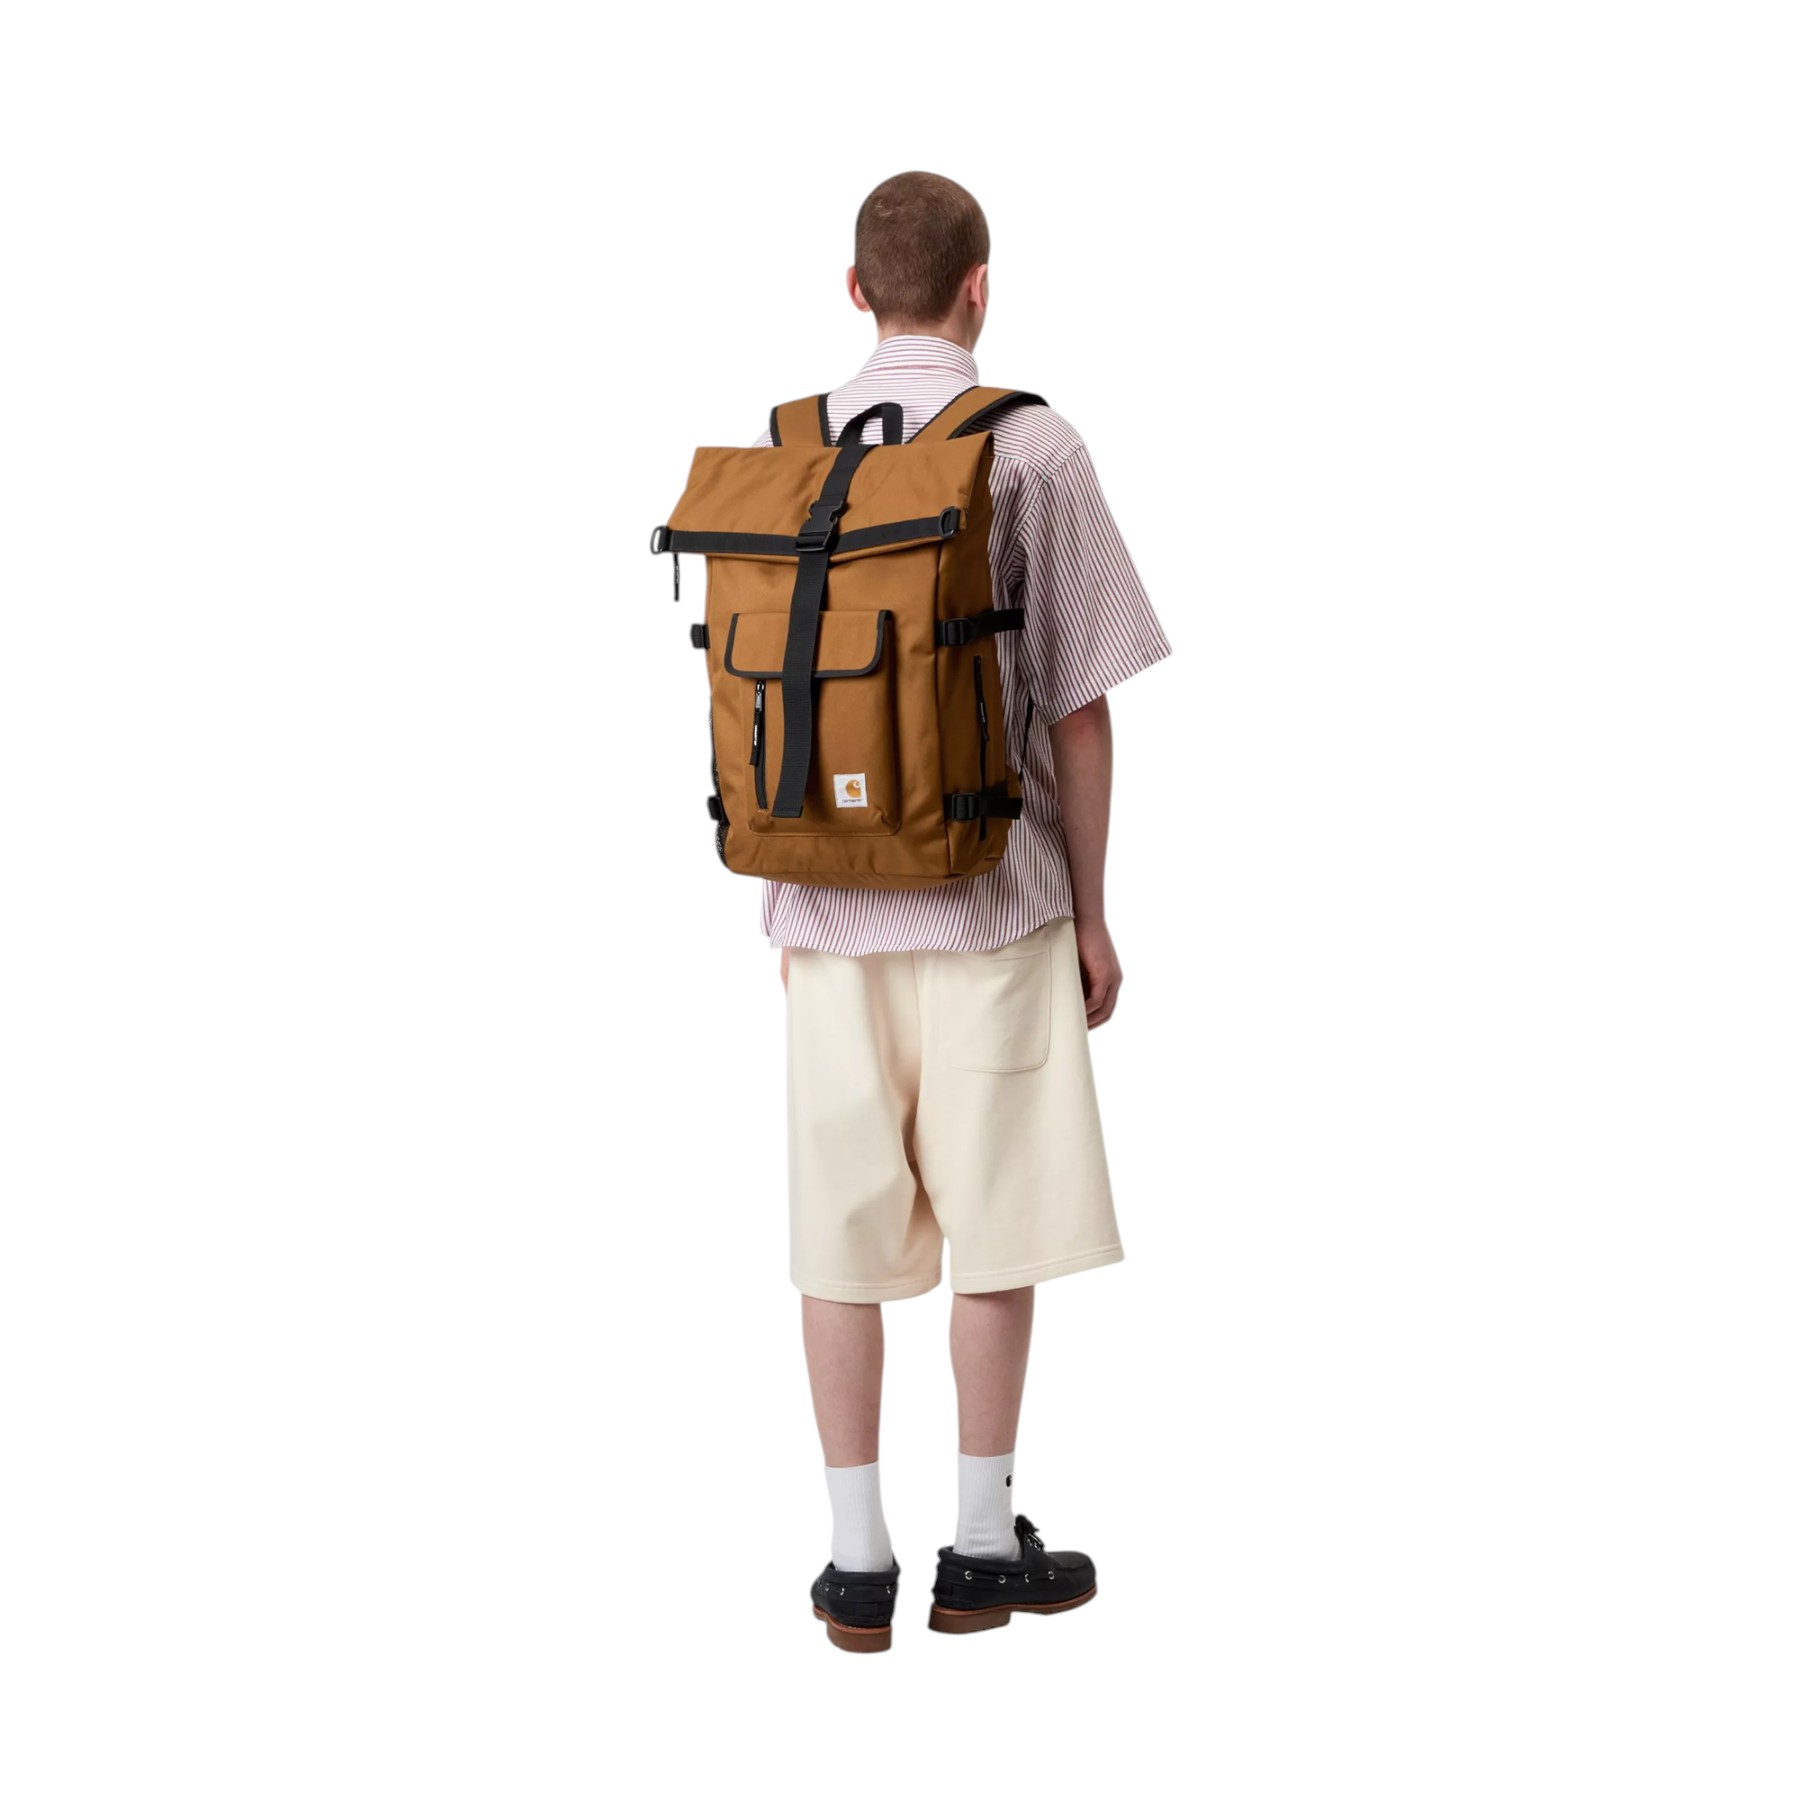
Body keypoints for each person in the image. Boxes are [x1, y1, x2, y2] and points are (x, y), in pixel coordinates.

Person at [754, 171, 1172, 1650]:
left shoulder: (788, 449)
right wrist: (1095, 916)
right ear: (980, 287)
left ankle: (854, 1561)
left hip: (824, 911)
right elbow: (1081, 703)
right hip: (995, 905)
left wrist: (795, 892)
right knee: (998, 1235)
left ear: (855, 290)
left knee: (840, 1241)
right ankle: (982, 1547)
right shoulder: (1032, 445)